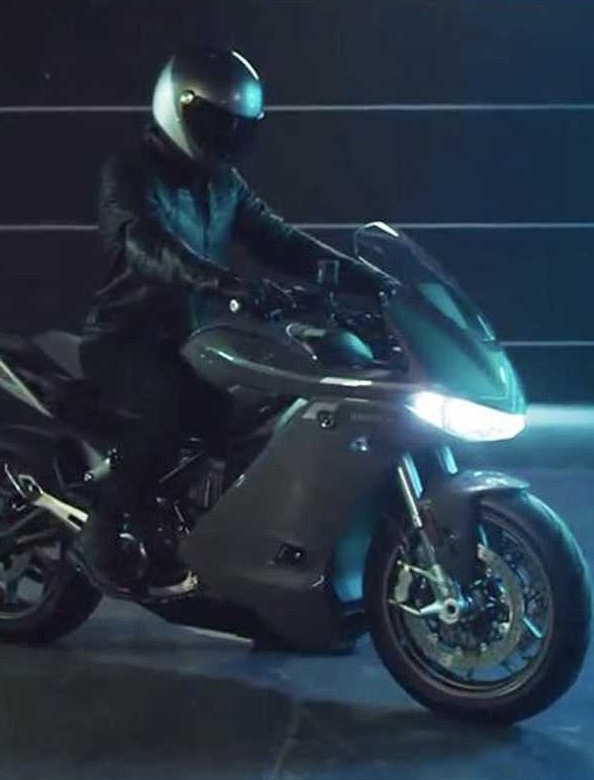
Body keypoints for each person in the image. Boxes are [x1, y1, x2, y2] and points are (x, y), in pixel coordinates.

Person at [77, 47, 397, 592]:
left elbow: (278, 238)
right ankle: (101, 531)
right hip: (129, 338)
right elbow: (148, 246)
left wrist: (360, 277)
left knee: (266, 411)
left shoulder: (222, 182)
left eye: (235, 127)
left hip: (201, 336)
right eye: (214, 123)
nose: (225, 137)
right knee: (170, 411)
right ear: (178, 108)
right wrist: (224, 282)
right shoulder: (129, 172)